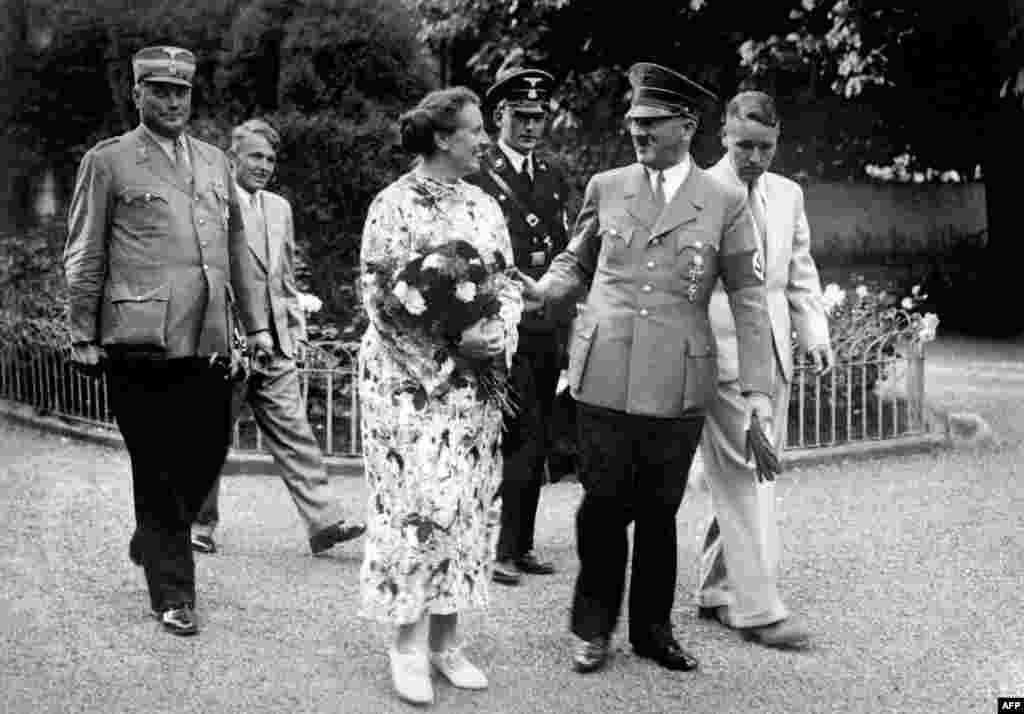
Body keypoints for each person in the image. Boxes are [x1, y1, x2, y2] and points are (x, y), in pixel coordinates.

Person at [516, 62, 776, 674]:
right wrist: (544, 289)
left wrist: (759, 392)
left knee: (659, 512)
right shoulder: (607, 186)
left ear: (686, 126)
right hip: (604, 370)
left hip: (678, 379)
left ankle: (653, 631)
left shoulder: (725, 201)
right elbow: (574, 260)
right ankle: (592, 627)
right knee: (602, 505)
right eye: (633, 120)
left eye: (651, 121)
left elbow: (748, 299)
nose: (637, 130)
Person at [63, 46, 266, 636]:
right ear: (138, 95)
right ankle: (174, 593)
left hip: (207, 338)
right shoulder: (109, 162)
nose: (173, 101)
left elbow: (236, 255)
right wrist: (82, 332)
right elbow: (85, 250)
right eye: (160, 91)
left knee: (202, 457)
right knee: (155, 467)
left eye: (182, 92)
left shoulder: (213, 163)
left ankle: (154, 535)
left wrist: (254, 327)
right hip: (138, 340)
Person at [357, 87, 523, 705]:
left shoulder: (484, 204)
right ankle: (405, 644)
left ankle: (447, 642)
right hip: (410, 389)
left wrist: (491, 334)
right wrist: (450, 349)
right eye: (477, 130)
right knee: (417, 507)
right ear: (443, 138)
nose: (485, 140)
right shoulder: (392, 204)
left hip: (474, 390)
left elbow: (505, 283)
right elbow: (379, 297)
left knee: (468, 507)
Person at [190, 119, 365, 557]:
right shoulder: (211, 204)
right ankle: (199, 523)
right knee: (209, 436)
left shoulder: (279, 208)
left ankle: (324, 523)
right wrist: (229, 333)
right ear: (232, 159)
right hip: (227, 344)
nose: (264, 166)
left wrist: (294, 332)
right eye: (254, 156)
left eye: (270, 159)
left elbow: (283, 276)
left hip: (277, 347)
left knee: (296, 432)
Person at [697, 90, 832, 647]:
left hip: (775, 353)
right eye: (743, 144)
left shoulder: (788, 194)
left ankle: (714, 589)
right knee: (745, 476)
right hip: (723, 356)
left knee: (750, 474)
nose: (754, 157)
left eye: (765, 147)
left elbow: (799, 270)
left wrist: (815, 333)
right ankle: (756, 610)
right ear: (723, 136)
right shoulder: (700, 191)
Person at [465, 67, 571, 586]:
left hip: (545, 321)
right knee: (513, 435)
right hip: (501, 321)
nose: (531, 126)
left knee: (540, 434)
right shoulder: (479, 177)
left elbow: (563, 247)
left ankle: (523, 543)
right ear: (498, 117)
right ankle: (499, 548)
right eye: (521, 116)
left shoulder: (551, 173)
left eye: (538, 117)